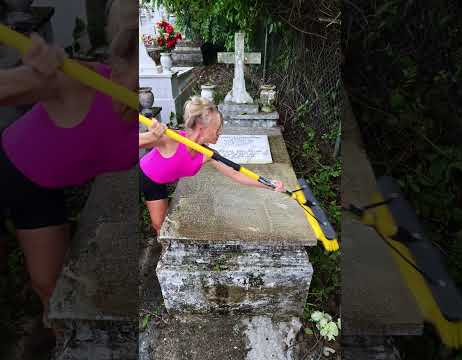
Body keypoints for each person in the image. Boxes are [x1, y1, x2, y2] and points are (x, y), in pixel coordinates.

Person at [0, 0, 138, 332]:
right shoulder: (80, 80)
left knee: (51, 288)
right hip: (6, 171)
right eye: (123, 50)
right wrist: (32, 73)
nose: (126, 68)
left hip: (42, 190)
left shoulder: (159, 116)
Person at [139, 96, 285, 233]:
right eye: (218, 127)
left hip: (159, 184)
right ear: (202, 127)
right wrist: (153, 135)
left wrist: (269, 184)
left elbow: (236, 173)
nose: (220, 132)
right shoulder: (172, 138)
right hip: (143, 176)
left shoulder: (207, 154)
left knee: (160, 225)